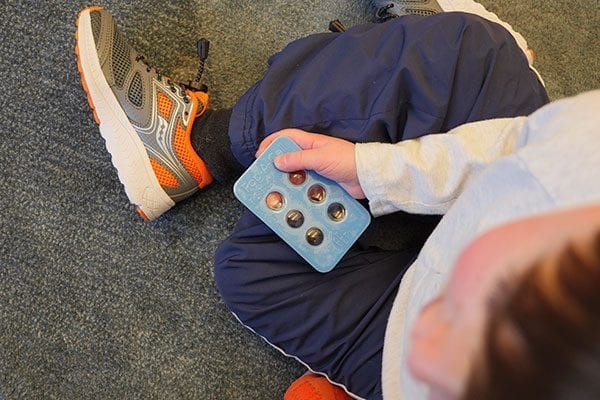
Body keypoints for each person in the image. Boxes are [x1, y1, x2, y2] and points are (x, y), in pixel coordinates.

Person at [74, 2, 599, 399]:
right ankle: (420, 48)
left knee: (248, 271)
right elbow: (524, 148)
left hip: (425, 350)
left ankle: (191, 146)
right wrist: (375, 172)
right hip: (480, 255)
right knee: (476, 52)